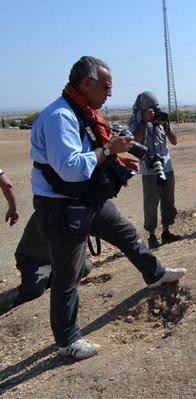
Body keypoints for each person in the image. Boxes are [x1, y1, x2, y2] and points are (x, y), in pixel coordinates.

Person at [30, 56, 186, 360]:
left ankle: (154, 274)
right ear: (87, 83)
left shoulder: (84, 111)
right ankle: (67, 341)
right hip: (61, 208)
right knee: (67, 274)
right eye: (107, 86)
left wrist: (113, 152)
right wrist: (108, 149)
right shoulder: (60, 116)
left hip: (86, 199)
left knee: (127, 235)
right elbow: (71, 169)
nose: (110, 93)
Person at [129, 91, 180, 248]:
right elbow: (133, 141)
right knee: (151, 203)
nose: (154, 111)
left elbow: (174, 141)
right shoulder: (135, 121)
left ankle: (166, 231)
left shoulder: (161, 118)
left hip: (166, 165)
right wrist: (144, 122)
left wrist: (166, 126)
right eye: (150, 108)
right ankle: (151, 236)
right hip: (149, 169)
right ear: (143, 108)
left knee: (168, 199)